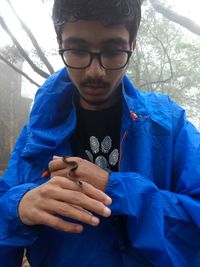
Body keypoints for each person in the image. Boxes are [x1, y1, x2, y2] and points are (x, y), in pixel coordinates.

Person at [0, 0, 200, 266]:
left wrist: (116, 188)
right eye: (78, 50)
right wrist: (17, 209)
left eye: (113, 51)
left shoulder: (169, 124)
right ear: (60, 42)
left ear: (132, 45)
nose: (96, 71)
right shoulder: (37, 134)